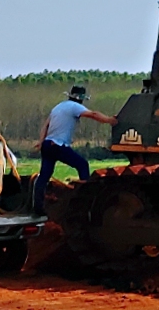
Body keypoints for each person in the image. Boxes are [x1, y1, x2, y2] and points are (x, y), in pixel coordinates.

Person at [32, 84, 114, 215]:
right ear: (80, 99)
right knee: (82, 165)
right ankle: (86, 202)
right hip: (58, 145)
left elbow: (46, 125)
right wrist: (109, 120)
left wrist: (41, 142)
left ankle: (38, 208)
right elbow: (93, 114)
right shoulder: (75, 106)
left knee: (44, 176)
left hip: (47, 144)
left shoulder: (58, 107)